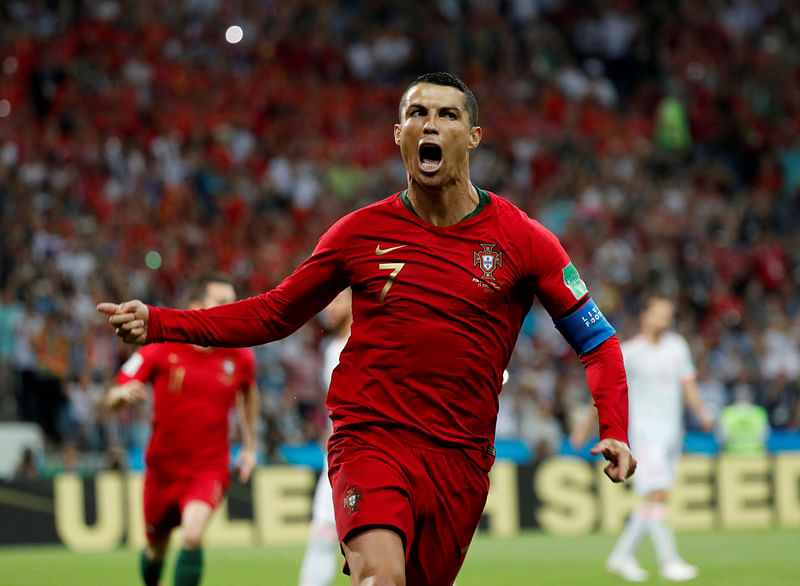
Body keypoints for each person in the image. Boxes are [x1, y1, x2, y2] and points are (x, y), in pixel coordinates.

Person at [98, 72, 635, 586]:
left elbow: (597, 340)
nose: (430, 124)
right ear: (398, 134)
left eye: (447, 115)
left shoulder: (524, 239)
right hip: (369, 437)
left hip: (462, 457)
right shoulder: (359, 233)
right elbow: (272, 313)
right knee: (380, 577)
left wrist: (613, 425)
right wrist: (162, 322)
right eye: (416, 113)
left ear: (472, 137)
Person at [105, 274, 259, 586]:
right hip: (162, 469)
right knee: (155, 549)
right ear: (196, 307)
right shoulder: (160, 346)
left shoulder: (241, 355)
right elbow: (112, 396)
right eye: (221, 303)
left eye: (234, 303)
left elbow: (249, 393)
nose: (230, 309)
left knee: (192, 535)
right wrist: (121, 396)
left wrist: (250, 445)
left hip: (209, 467)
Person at [603, 296, 715, 582]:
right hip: (645, 433)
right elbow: (611, 392)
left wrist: (702, 412)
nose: (665, 320)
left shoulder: (677, 346)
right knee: (659, 493)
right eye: (659, 314)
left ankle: (621, 556)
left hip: (673, 433)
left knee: (654, 498)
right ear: (645, 316)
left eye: (668, 315)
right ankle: (669, 562)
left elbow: (688, 384)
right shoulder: (630, 353)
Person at [299, 288, 352, 586]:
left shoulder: (367, 341)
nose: (327, 308)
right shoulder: (332, 346)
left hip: (370, 454)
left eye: (336, 299)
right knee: (321, 534)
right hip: (337, 455)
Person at [718, 383, 769, 454]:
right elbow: (764, 437)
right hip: (756, 456)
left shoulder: (727, 413)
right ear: (751, 397)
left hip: (731, 456)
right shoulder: (759, 412)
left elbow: (722, 438)